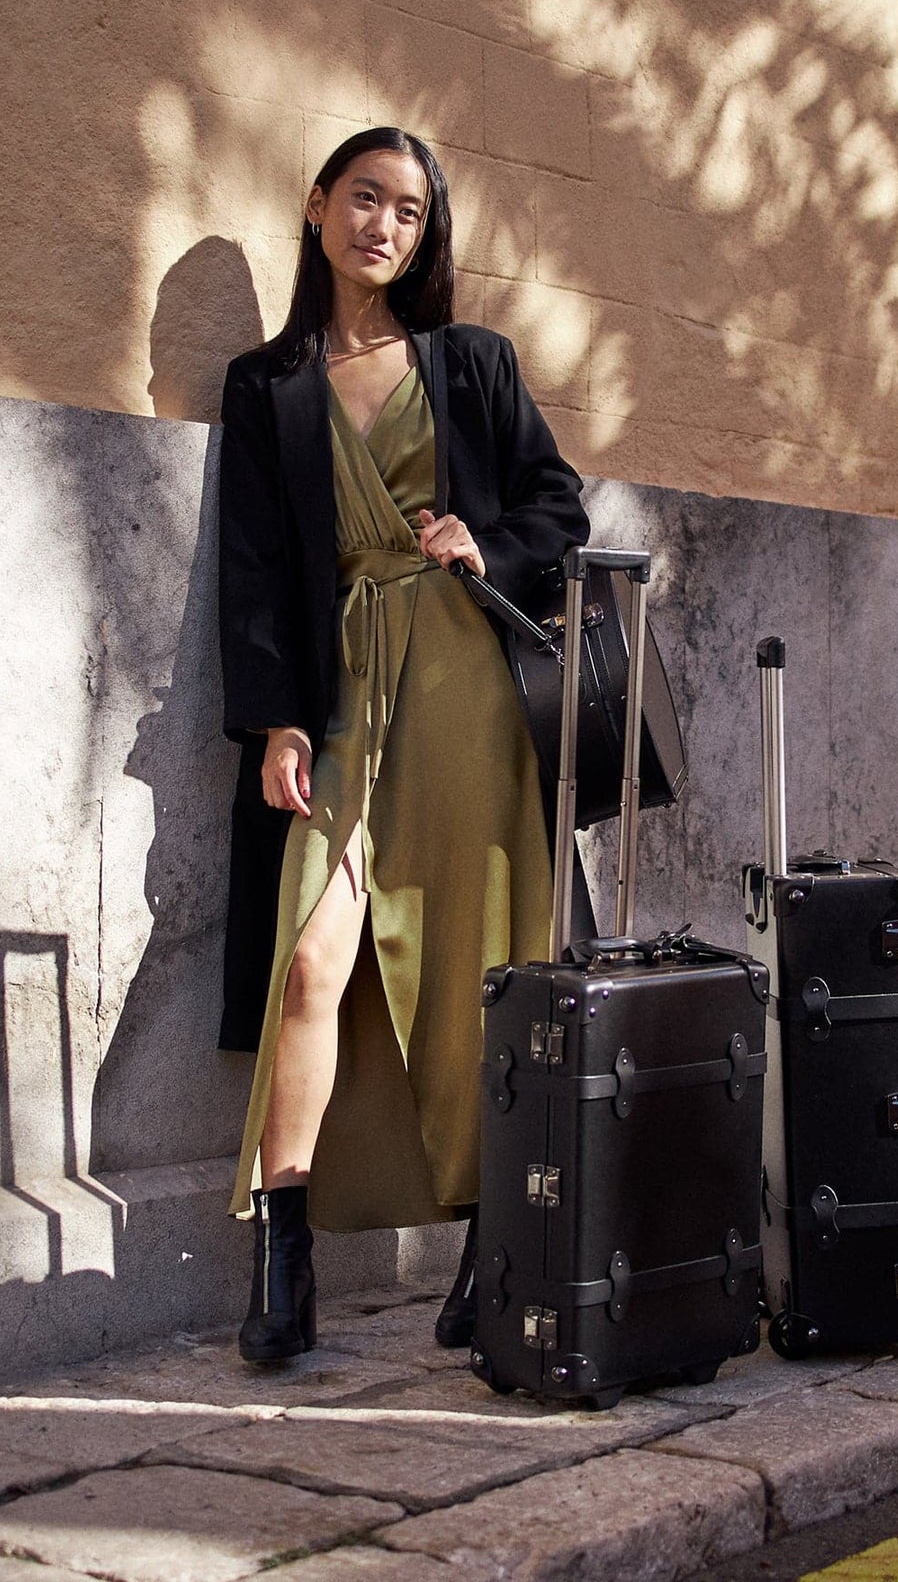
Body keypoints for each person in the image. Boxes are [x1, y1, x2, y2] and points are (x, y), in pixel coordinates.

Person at [216, 126, 589, 1362]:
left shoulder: (470, 363)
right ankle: (283, 1255)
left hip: (467, 687)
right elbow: (259, 566)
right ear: (317, 205)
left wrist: (488, 543)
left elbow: (557, 502)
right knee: (312, 960)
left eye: (410, 213)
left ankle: (495, 1247)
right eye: (364, 197)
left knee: (478, 960)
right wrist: (274, 715)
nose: (383, 225)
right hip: (338, 686)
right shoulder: (265, 382)